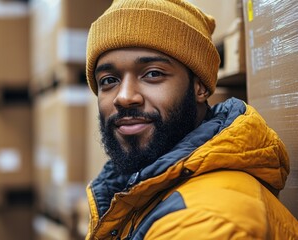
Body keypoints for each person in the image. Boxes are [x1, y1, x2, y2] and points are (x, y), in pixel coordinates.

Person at [84, 0, 298, 239]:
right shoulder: (145, 192)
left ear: (200, 87)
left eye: (153, 74)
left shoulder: (206, 221)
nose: (124, 97)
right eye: (108, 80)